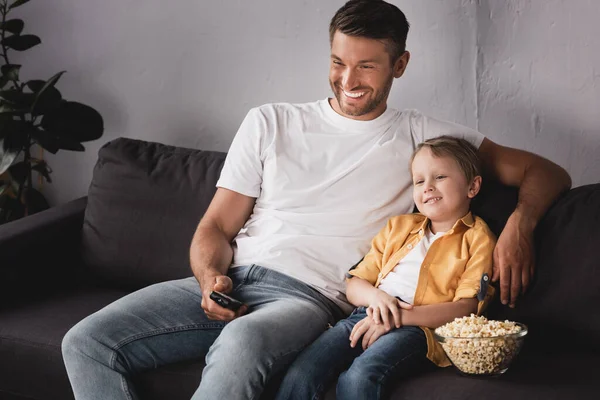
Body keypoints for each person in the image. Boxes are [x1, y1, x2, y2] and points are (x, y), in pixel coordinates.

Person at [61, 1, 571, 399]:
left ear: (400, 65)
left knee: (241, 343)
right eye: (337, 62)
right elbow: (215, 228)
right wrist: (210, 277)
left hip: (308, 299)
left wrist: (519, 226)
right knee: (85, 341)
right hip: (236, 281)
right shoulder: (269, 121)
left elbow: (544, 172)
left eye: (367, 66)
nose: (348, 81)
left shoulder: (420, 136)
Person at [275, 136, 496, 400]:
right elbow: (354, 285)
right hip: (369, 313)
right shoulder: (398, 227)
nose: (427, 187)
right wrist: (378, 301)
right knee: (303, 371)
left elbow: (466, 309)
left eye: (439, 177)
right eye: (419, 181)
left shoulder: (478, 238)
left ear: (472, 186)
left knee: (360, 376)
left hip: (420, 329)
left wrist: (397, 318)